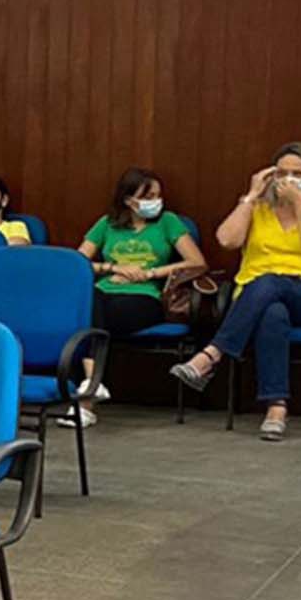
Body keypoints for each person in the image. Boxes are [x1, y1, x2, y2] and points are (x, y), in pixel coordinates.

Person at [170, 143, 301, 441]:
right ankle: (276, 408)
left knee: (271, 281)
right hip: (258, 299)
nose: (289, 180)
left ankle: (211, 355)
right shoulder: (258, 208)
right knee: (272, 312)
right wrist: (251, 196)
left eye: (298, 174)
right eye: (282, 173)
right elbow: (226, 240)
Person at [64, 168, 208, 428]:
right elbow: (76, 263)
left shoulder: (169, 222)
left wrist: (149, 273)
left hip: (146, 297)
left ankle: (87, 394)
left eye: (157, 195)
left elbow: (197, 263)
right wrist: (113, 268)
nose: (156, 200)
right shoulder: (106, 224)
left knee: (92, 320)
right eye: (148, 195)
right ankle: (90, 390)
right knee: (89, 303)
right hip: (106, 291)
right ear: (129, 200)